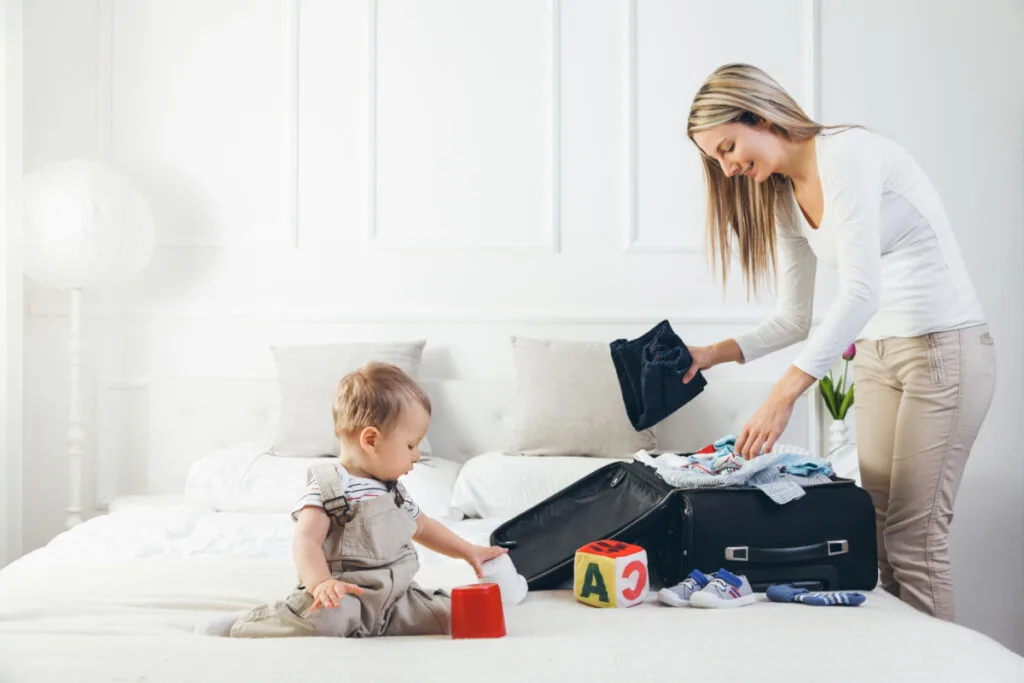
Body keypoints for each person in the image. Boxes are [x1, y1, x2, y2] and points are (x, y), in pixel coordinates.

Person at [679, 63, 995, 622]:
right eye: (717, 160)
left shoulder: (847, 153)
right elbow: (792, 319)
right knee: (872, 529)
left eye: (728, 147)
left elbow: (860, 292)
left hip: (941, 352)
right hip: (875, 358)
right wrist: (711, 355)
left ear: (759, 115)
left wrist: (783, 395)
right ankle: (898, 664)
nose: (728, 168)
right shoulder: (781, 198)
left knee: (915, 540)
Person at [199, 362, 507, 637]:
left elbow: (424, 527)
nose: (416, 457)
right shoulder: (330, 487)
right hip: (345, 596)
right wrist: (320, 583)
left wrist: (469, 551)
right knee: (323, 621)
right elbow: (305, 541)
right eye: (411, 445)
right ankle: (246, 624)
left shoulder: (394, 491)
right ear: (371, 440)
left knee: (453, 615)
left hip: (397, 598)